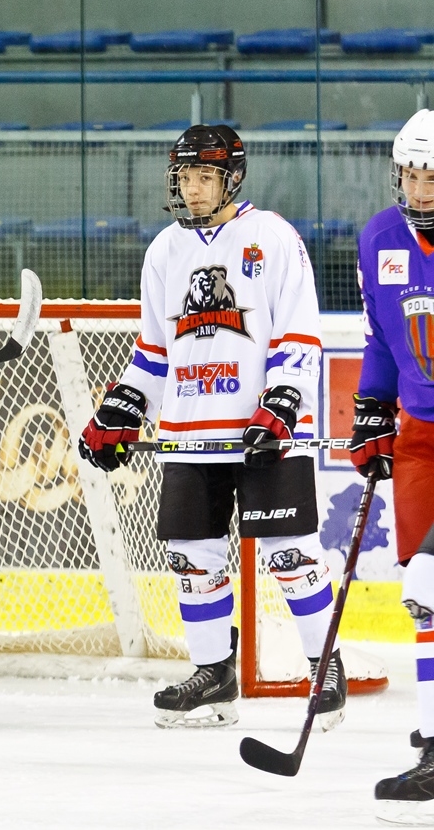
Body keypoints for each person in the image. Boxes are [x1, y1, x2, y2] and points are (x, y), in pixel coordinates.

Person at [77, 124, 346, 729]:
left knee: (290, 555)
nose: (193, 190)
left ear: (232, 178)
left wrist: (281, 405)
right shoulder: (163, 252)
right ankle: (214, 674)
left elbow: (299, 334)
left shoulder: (272, 237)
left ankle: (323, 665)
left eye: (204, 177)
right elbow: (153, 354)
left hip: (265, 430)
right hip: (189, 431)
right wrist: (122, 407)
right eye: (185, 178)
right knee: (193, 556)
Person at [354, 109, 434, 822]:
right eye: (412, 173)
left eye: (433, 175)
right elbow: (380, 337)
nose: (422, 187)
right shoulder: (379, 237)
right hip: (418, 438)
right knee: (425, 592)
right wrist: (372, 409)